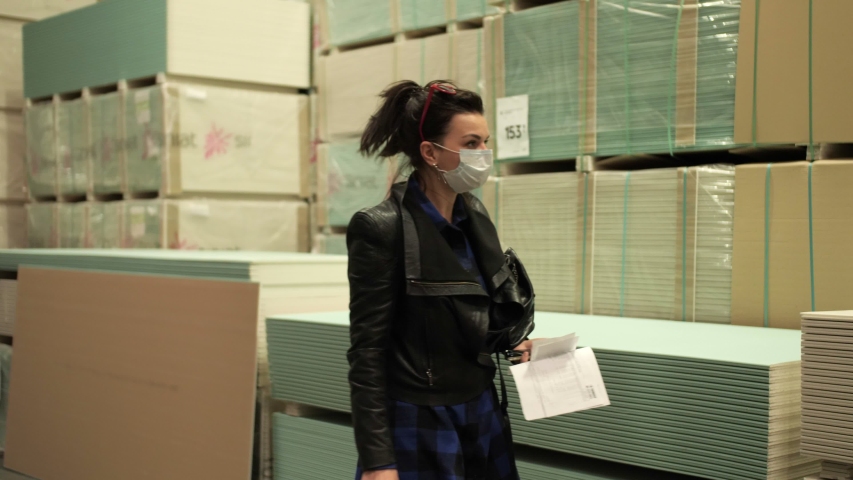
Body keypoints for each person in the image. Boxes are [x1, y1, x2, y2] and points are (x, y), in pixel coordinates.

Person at [346, 79, 536, 480]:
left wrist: (513, 339)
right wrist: (379, 460)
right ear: (430, 152)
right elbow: (367, 353)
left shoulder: (476, 217)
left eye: (485, 143)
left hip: (482, 408)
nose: (483, 155)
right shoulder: (381, 227)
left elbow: (472, 311)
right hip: (421, 417)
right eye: (470, 144)